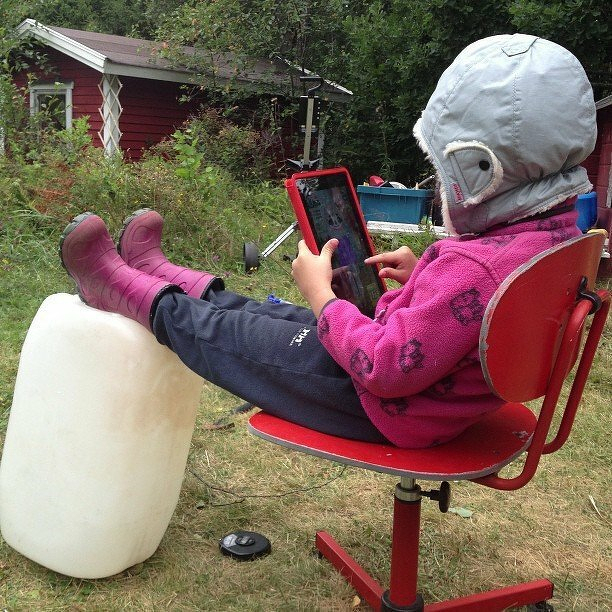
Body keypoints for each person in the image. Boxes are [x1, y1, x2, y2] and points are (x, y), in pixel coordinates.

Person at [59, 34, 596, 448]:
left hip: (383, 403)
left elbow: (384, 367)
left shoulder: (476, 270)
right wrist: (426, 278)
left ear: (481, 169)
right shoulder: (557, 236)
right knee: (260, 314)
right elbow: (491, 308)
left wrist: (320, 295)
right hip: (432, 395)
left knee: (229, 334)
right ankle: (156, 272)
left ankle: (114, 286)